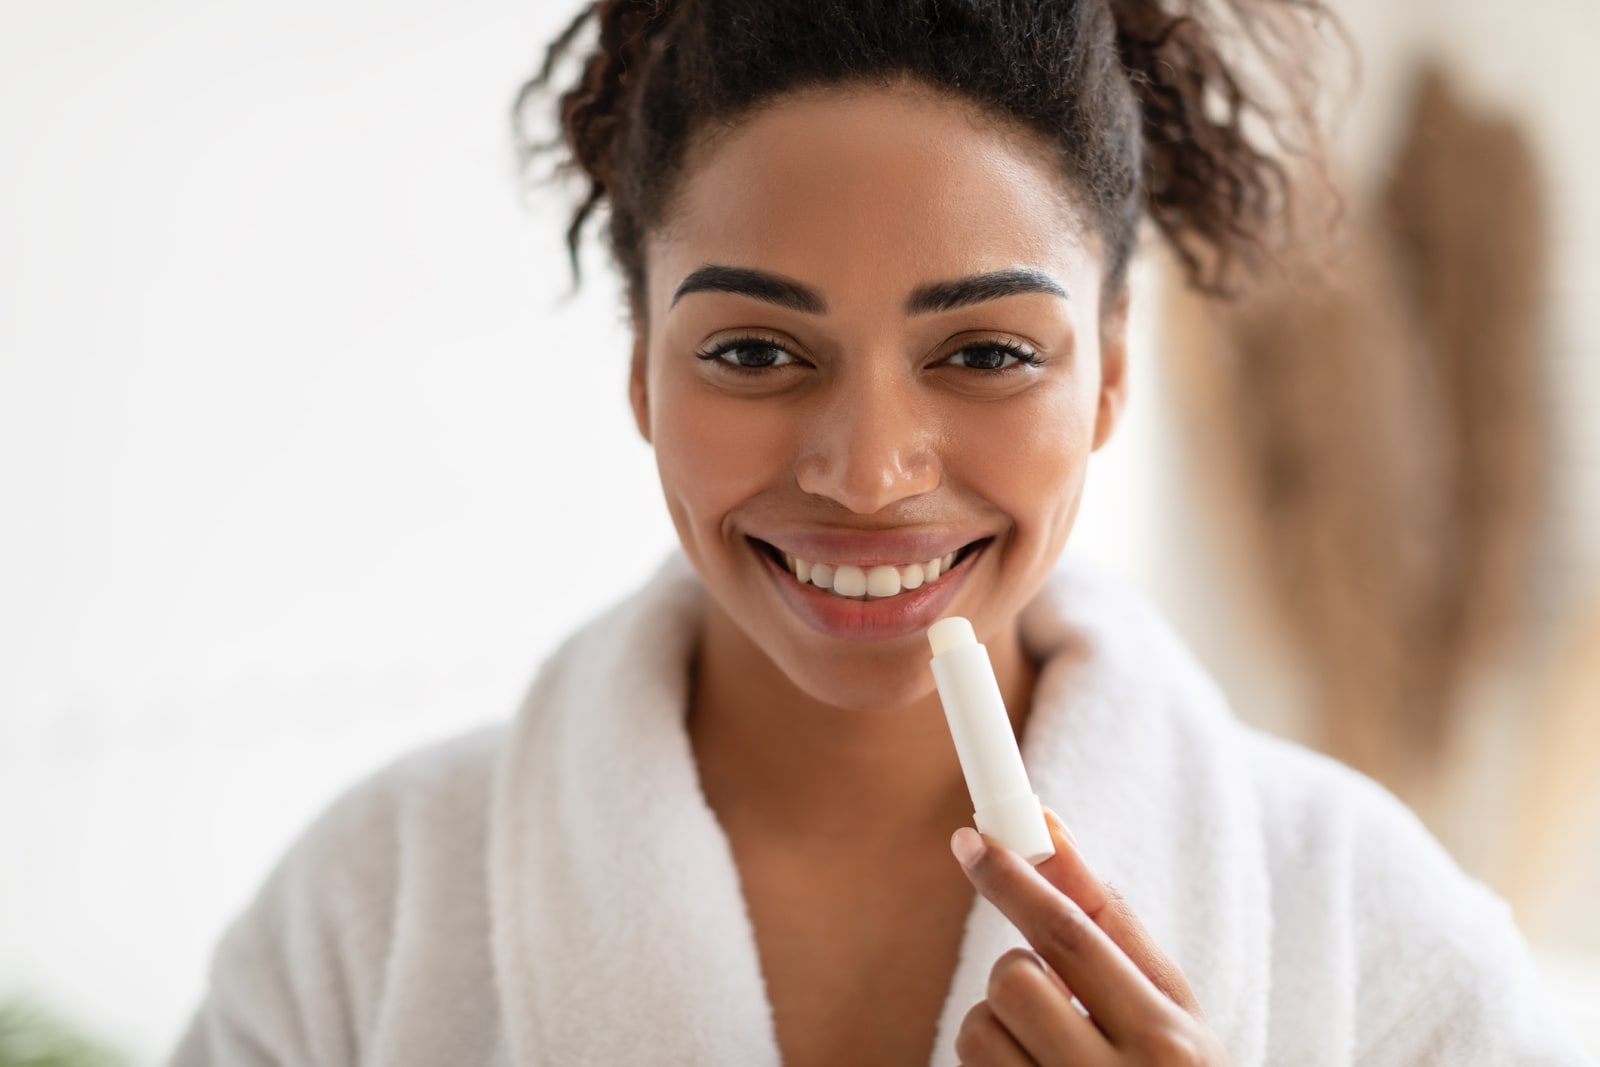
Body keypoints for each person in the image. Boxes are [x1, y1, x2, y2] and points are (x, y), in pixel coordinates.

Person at [168, 1, 1589, 1065]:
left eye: (985, 354)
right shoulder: (371, 916)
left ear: (1109, 374)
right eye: (752, 352)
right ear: (641, 374)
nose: (864, 476)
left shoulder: (1372, 926)